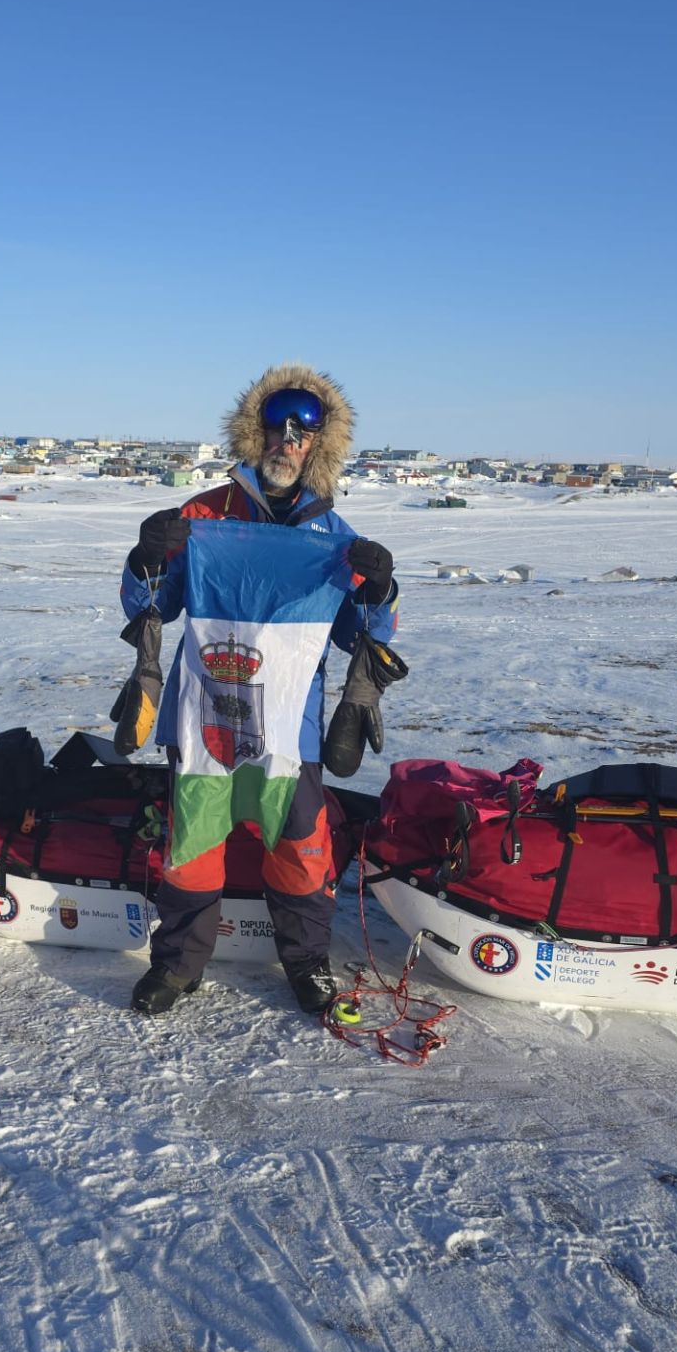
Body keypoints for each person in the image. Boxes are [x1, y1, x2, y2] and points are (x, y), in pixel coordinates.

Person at [121, 364, 399, 1015]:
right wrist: (146, 560)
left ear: (319, 446)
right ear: (255, 436)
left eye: (303, 434)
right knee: (191, 850)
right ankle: (178, 965)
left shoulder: (332, 537)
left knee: (300, 852)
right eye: (276, 430)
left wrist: (379, 590)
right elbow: (152, 604)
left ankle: (306, 963)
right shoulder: (200, 517)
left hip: (287, 727)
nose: (287, 444)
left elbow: (360, 630)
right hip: (203, 720)